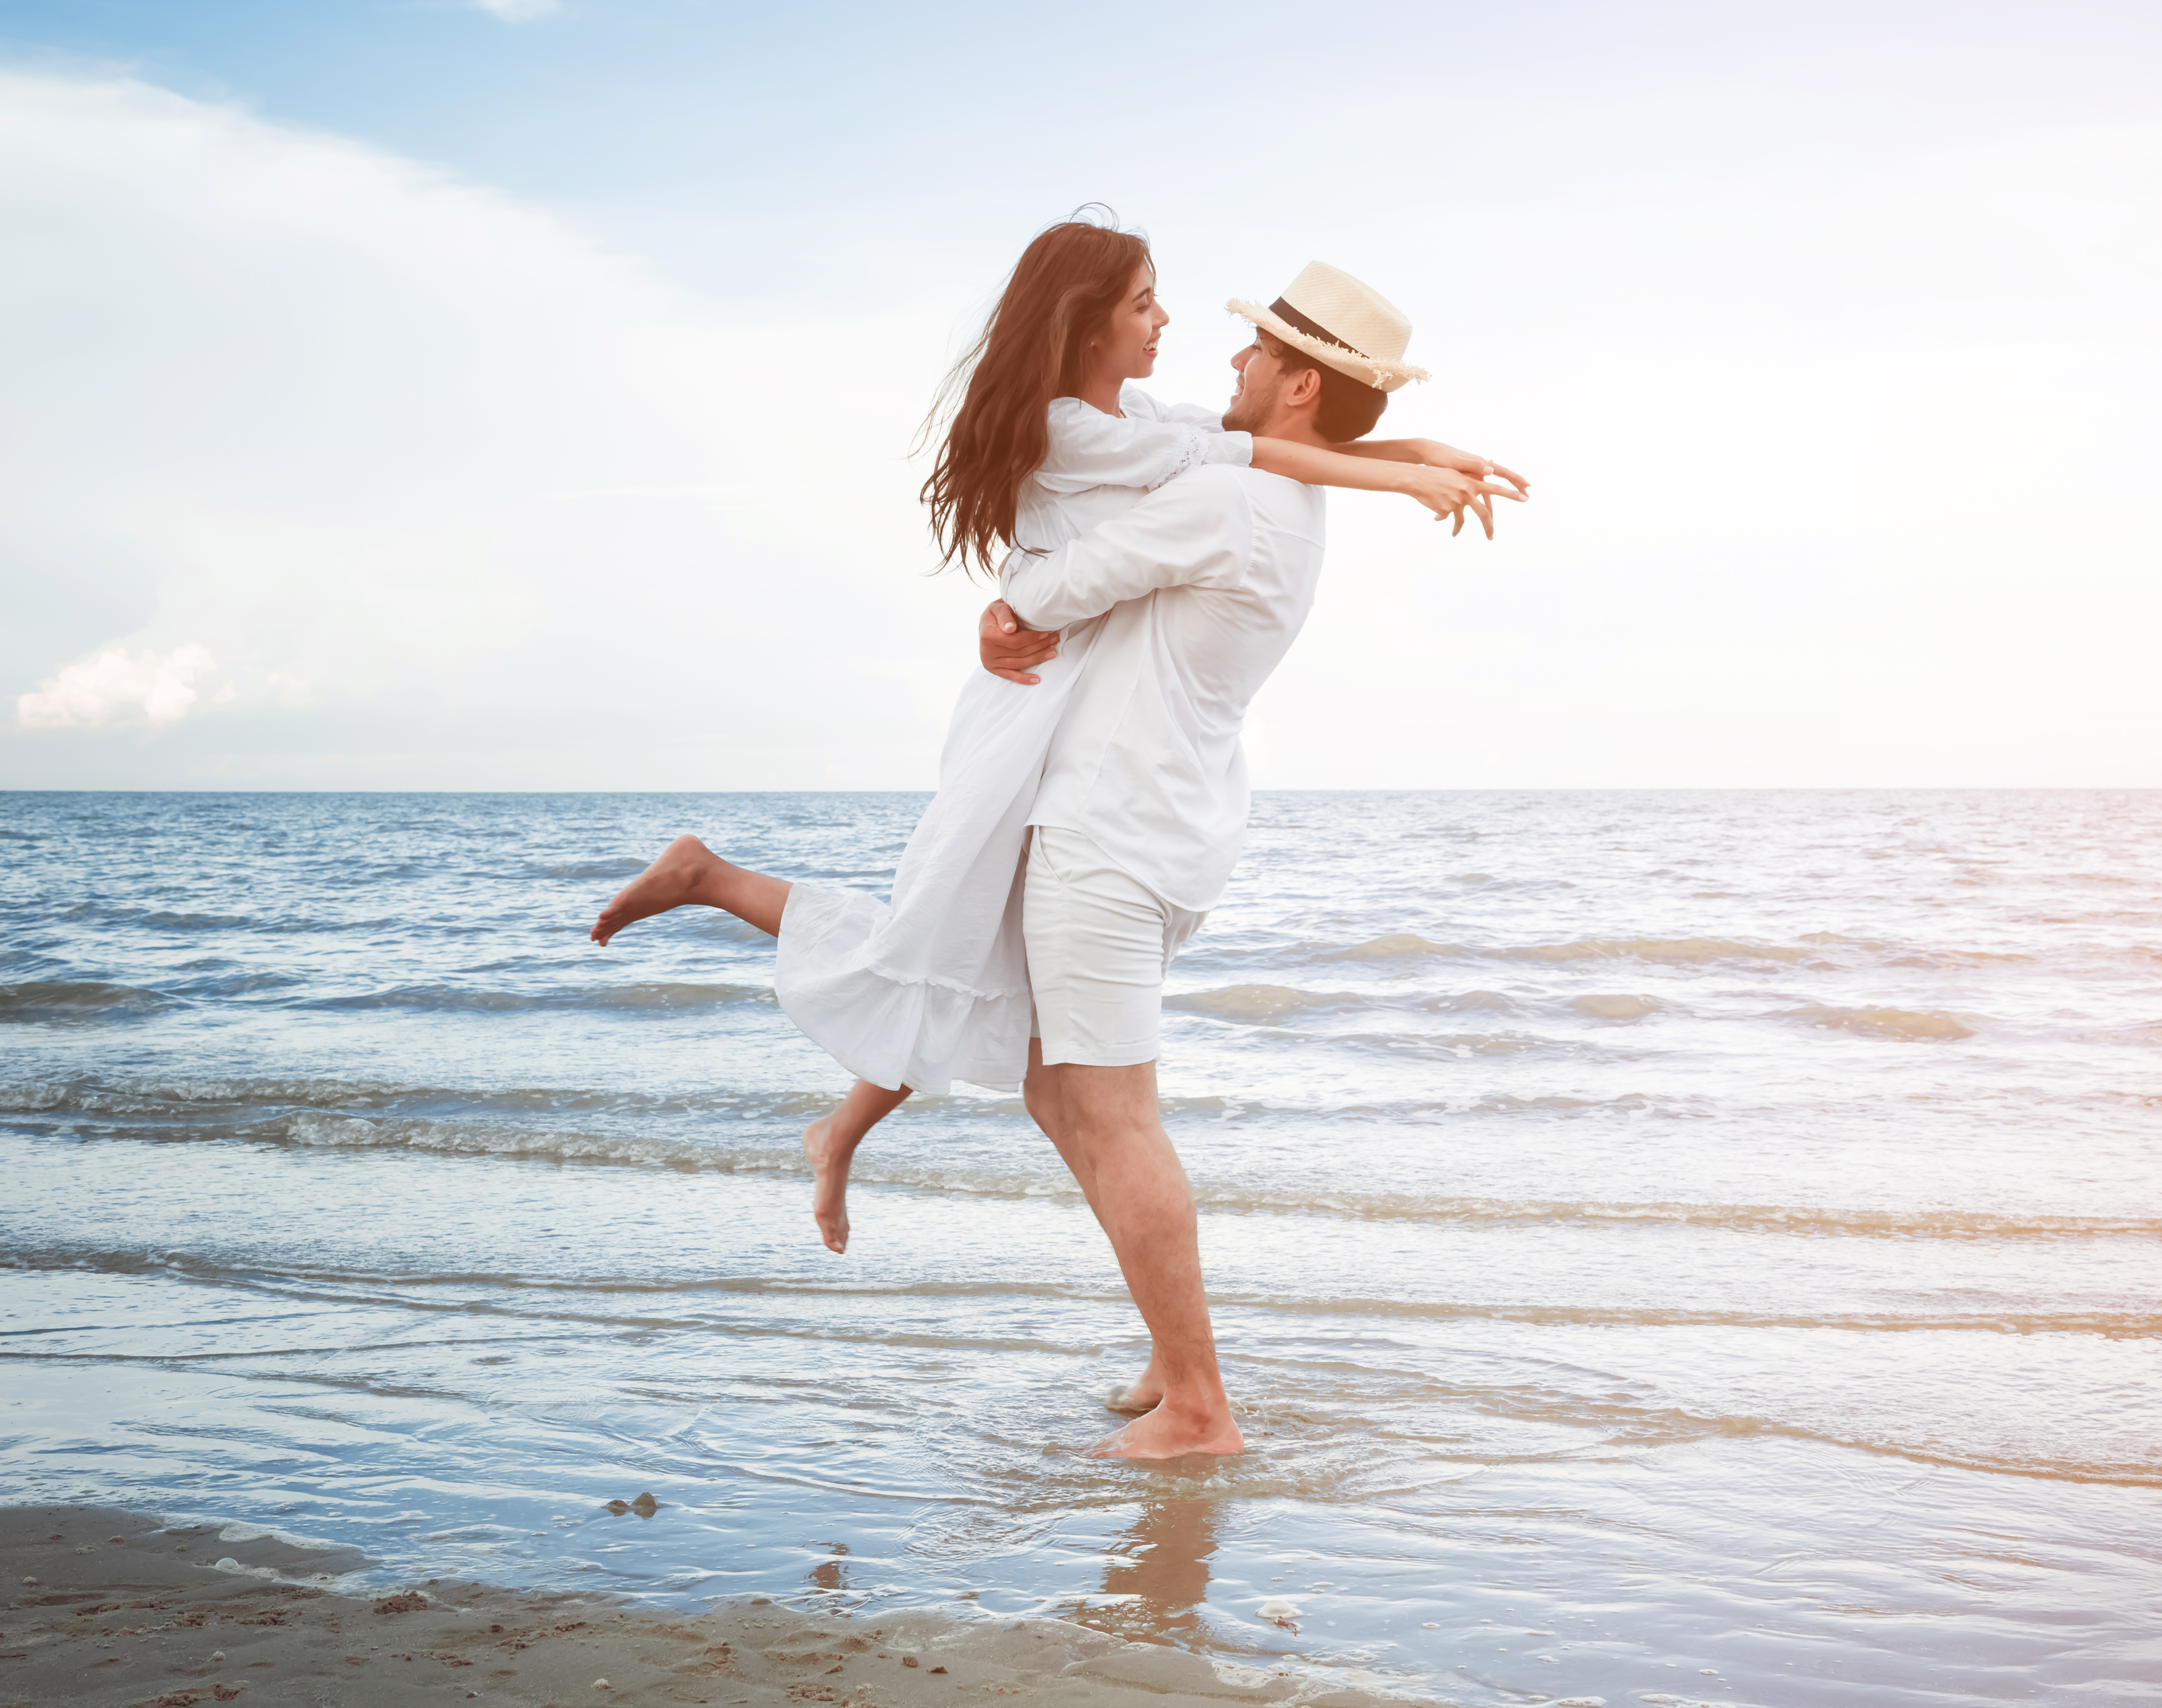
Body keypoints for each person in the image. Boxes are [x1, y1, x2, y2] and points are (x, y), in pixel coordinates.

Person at [588, 226, 1518, 1457]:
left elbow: (1069, 582)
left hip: (1107, 837)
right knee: (1035, 1067)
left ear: (1300, 380)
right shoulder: (1278, 489)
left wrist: (1003, 610)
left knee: (1105, 1108)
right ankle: (1168, 1353)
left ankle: (1198, 1404)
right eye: (1164, 309)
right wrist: (1404, 459)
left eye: (1260, 346)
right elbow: (1228, 447)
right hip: (1150, 827)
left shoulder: (1237, 498)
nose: (1224, 349)